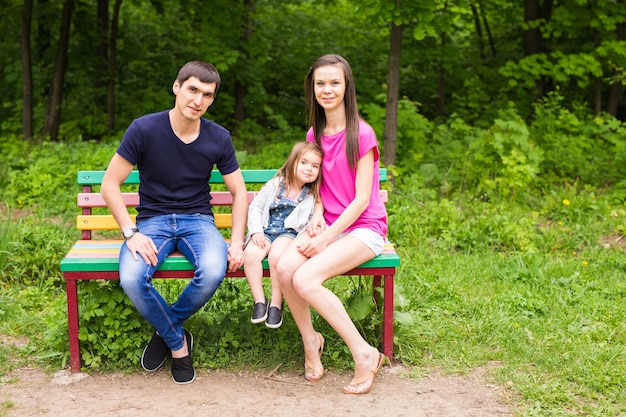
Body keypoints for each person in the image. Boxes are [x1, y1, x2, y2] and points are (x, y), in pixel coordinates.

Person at [101, 61, 248, 385]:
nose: (198, 99)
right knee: (132, 278)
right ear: (177, 87)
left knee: (212, 270)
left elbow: (239, 192)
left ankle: (163, 330)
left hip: (198, 221)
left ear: (211, 100)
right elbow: (109, 184)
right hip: (153, 222)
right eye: (193, 89)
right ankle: (179, 345)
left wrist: (236, 242)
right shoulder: (144, 129)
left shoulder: (218, 137)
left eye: (207, 95)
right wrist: (131, 233)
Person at [276, 54, 388, 395]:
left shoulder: (361, 134)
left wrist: (325, 237)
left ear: (346, 87)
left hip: (363, 229)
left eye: (334, 82)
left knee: (305, 278)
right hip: (331, 226)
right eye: (320, 83)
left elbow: (360, 200)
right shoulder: (316, 132)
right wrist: (317, 215)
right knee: (283, 268)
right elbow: (320, 188)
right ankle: (312, 342)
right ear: (313, 87)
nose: (327, 89)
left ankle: (365, 354)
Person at [243, 141, 323, 328]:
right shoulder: (276, 184)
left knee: (277, 257)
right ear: (293, 162)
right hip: (265, 230)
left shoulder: (312, 194)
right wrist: (256, 231)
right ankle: (260, 301)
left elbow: (311, 221)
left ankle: (276, 304)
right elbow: (256, 207)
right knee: (251, 255)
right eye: (304, 162)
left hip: (288, 235)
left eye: (315, 166)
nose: (309, 169)